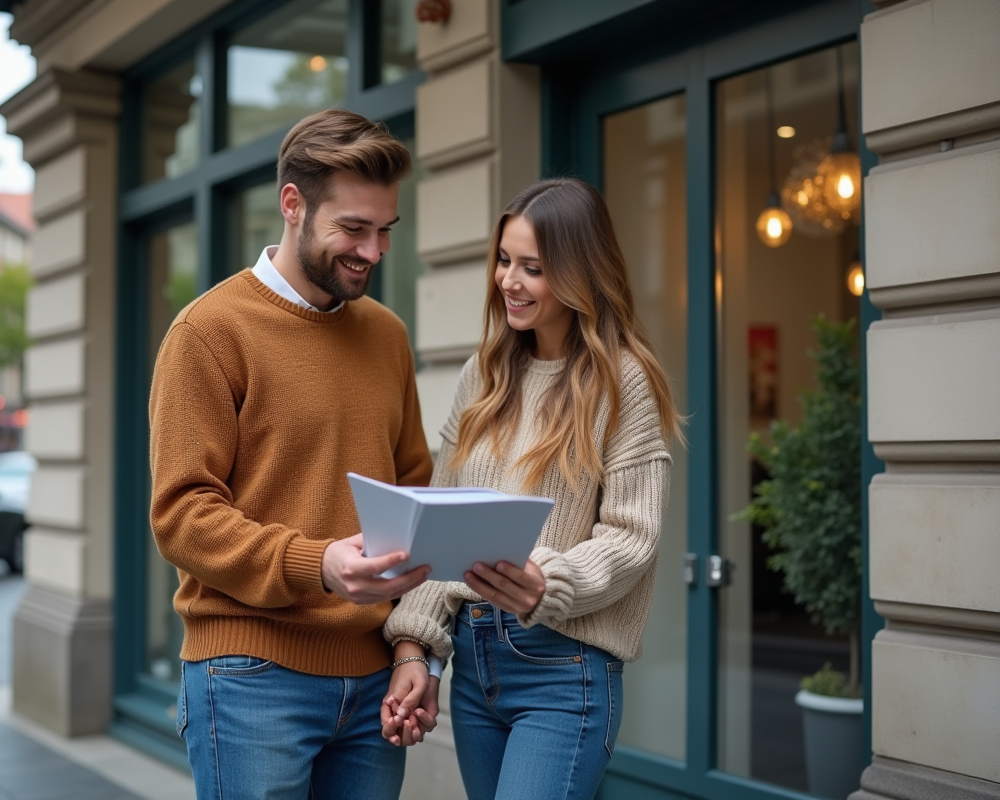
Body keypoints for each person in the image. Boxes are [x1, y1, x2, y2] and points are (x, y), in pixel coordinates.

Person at [148, 109, 436, 800]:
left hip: (375, 686)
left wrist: (410, 648)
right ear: (292, 204)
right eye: (354, 229)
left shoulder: (388, 336)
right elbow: (181, 515)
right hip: (249, 679)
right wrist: (319, 563)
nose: (373, 251)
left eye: (385, 231)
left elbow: (415, 495)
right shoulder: (207, 332)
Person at [380, 178, 681, 800]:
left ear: (580, 274)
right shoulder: (484, 374)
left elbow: (633, 536)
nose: (508, 280)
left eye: (533, 268)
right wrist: (417, 644)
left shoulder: (624, 383)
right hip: (473, 662)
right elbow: (442, 525)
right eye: (505, 260)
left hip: (562, 667)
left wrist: (551, 582)